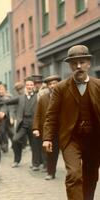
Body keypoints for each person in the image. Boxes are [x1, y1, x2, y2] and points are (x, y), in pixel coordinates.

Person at [43, 45, 100, 200]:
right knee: (74, 174)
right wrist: (47, 138)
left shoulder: (98, 85)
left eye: (82, 62)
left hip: (94, 140)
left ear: (89, 63)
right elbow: (51, 115)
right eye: (74, 63)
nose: (78, 66)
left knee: (91, 175)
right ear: (70, 66)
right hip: (71, 139)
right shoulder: (61, 88)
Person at [32, 75, 61, 180]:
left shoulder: (65, 96)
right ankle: (51, 172)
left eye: (55, 83)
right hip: (50, 130)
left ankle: (73, 172)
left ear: (59, 83)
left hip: (64, 129)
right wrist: (35, 128)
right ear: (48, 86)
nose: (53, 86)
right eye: (50, 84)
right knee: (51, 152)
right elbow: (37, 114)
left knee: (69, 151)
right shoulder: (43, 98)